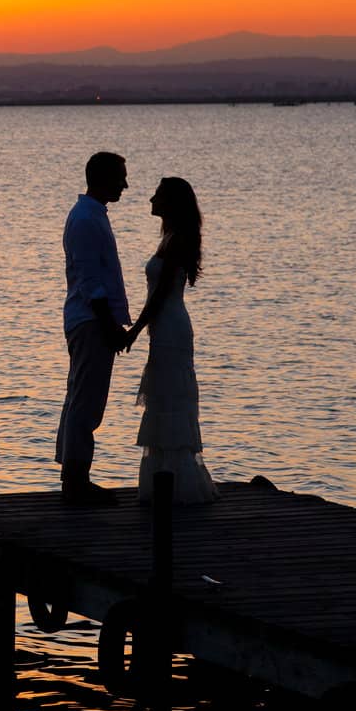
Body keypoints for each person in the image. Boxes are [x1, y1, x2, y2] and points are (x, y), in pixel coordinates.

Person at [123, 176, 219, 504]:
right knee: (164, 398)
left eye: (157, 195)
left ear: (170, 203)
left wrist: (135, 330)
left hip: (171, 328)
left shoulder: (177, 240)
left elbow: (162, 293)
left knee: (170, 399)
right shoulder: (170, 238)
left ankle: (178, 484)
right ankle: (167, 479)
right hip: (165, 328)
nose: (150, 199)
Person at [56, 151, 131, 505]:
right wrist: (109, 325)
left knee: (82, 400)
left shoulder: (91, 215)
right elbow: (89, 280)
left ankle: (74, 477)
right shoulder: (85, 219)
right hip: (90, 322)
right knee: (85, 402)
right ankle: (75, 481)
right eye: (120, 178)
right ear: (102, 178)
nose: (125, 185)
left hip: (91, 320)